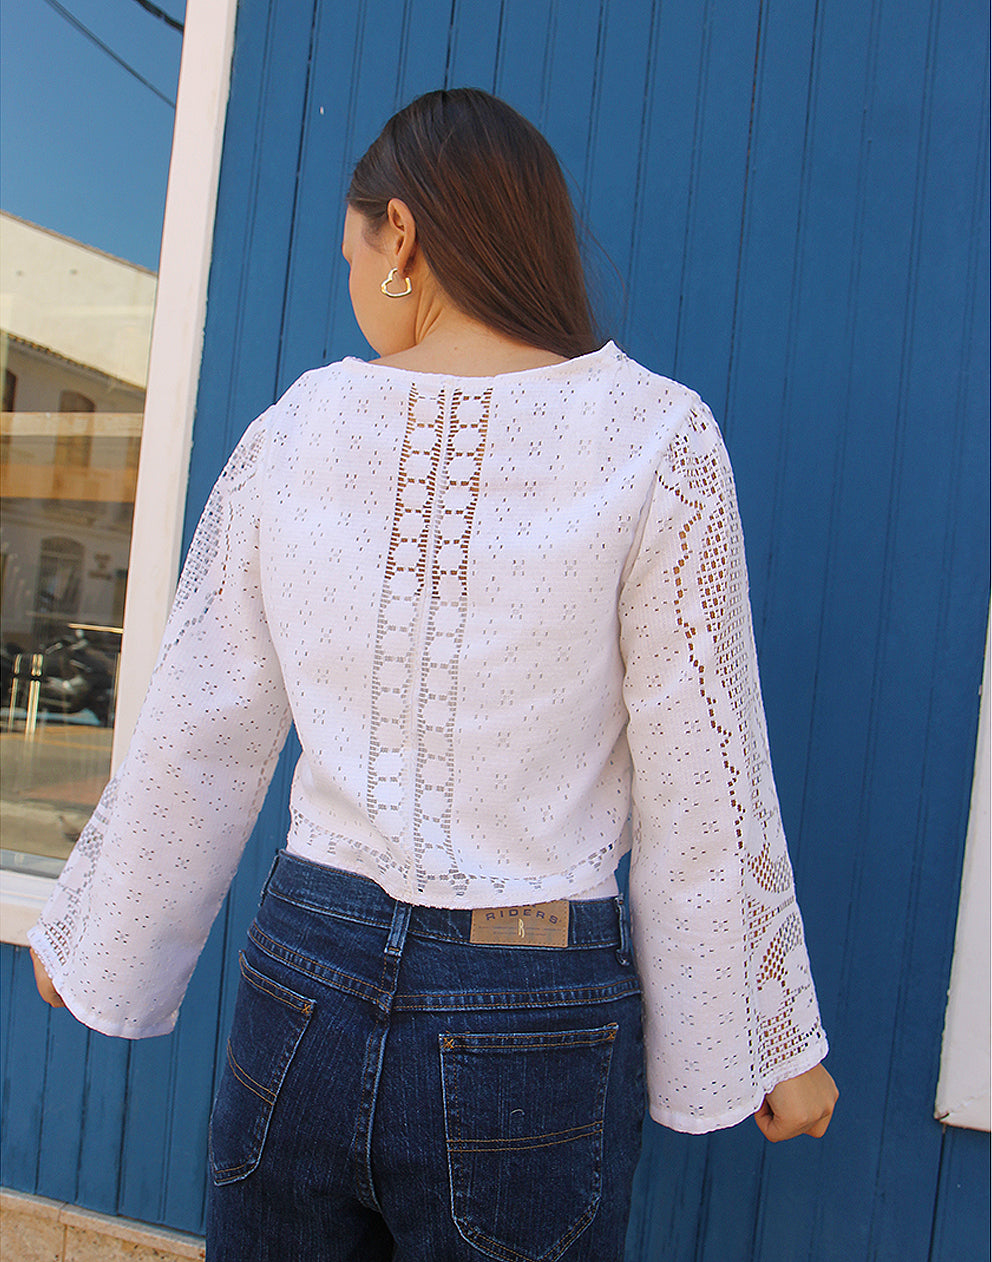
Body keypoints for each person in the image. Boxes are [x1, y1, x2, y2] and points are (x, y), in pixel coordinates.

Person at [29, 88, 837, 1260]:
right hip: (533, 994)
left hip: (302, 971)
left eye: (352, 253)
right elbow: (703, 768)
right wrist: (768, 1041)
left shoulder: (294, 428)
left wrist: (100, 936)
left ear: (398, 233)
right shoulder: (656, 439)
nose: (355, 284)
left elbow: (203, 717)